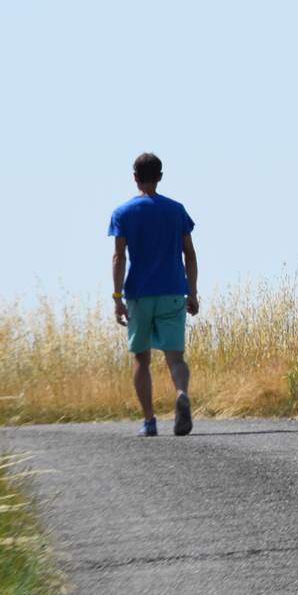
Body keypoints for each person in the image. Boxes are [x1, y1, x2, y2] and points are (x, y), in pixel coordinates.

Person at [109, 152, 199, 436]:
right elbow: (189, 254)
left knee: (141, 359)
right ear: (160, 177)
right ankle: (181, 393)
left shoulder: (122, 213)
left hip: (139, 293)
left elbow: (119, 257)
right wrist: (192, 292)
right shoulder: (176, 210)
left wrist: (117, 297)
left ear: (135, 177)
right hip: (172, 290)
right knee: (176, 358)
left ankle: (149, 421)